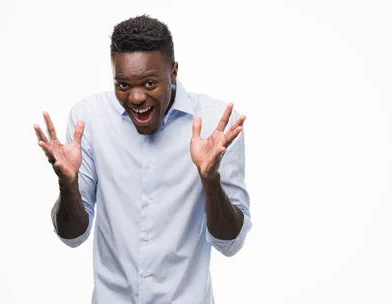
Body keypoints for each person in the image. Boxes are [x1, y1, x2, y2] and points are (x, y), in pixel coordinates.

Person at [33, 15, 252, 304]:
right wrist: (67, 184)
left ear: (173, 73)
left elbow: (230, 243)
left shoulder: (215, 124)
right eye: (122, 84)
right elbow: (72, 236)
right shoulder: (89, 120)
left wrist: (210, 180)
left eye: (150, 83)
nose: (135, 97)